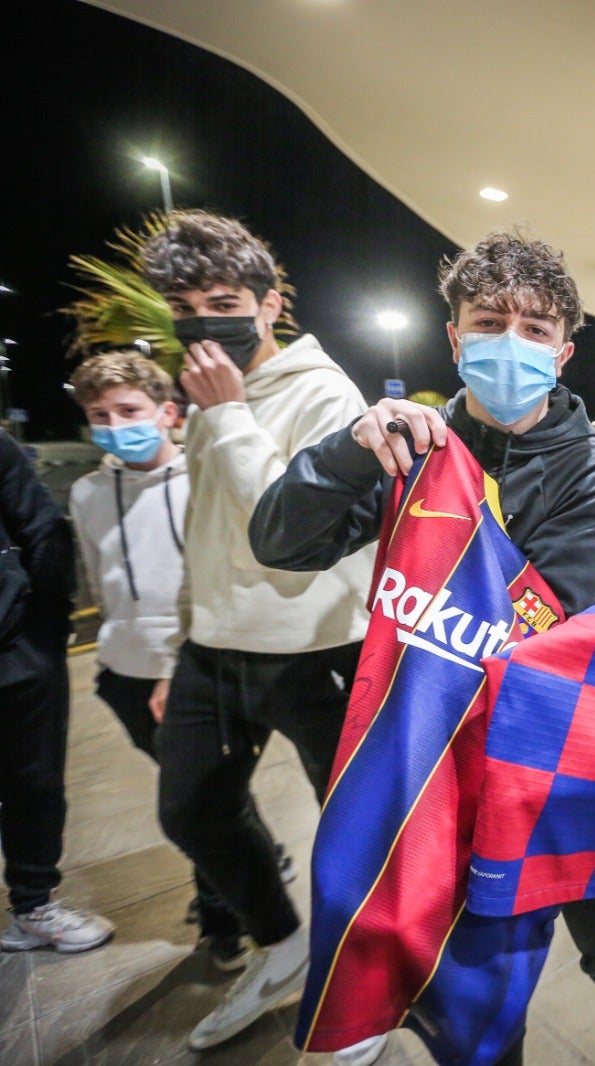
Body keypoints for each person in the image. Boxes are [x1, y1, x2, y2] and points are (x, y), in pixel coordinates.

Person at [250, 229, 595, 1065]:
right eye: (488, 323)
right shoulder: (403, 450)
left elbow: (525, 621)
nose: (509, 344)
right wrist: (347, 452)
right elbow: (279, 542)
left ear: (563, 351)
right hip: (440, 759)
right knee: (473, 976)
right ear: (453, 337)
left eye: (535, 328)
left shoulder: (594, 474)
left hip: (565, 756)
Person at [138, 210, 376, 1051]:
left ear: (271, 305)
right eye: (184, 305)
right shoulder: (208, 398)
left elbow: (296, 543)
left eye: (225, 300)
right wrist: (182, 646)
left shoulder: (324, 393)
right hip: (214, 651)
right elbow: (205, 530)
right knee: (192, 809)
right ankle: (283, 945)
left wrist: (233, 416)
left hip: (317, 651)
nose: (204, 322)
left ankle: (367, 987)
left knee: (352, 833)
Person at [65, 350, 293, 973]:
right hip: (124, 673)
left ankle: (224, 916)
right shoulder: (87, 492)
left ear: (167, 412)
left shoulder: (201, 479)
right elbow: (99, 576)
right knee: (200, 799)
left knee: (197, 803)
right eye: (99, 414)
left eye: (128, 410)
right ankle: (258, 860)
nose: (115, 424)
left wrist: (181, 659)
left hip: (198, 666)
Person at [0, 428, 115, 955]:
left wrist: (43, 630)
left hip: (17, 651)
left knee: (34, 782)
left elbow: (44, 530)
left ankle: (32, 905)